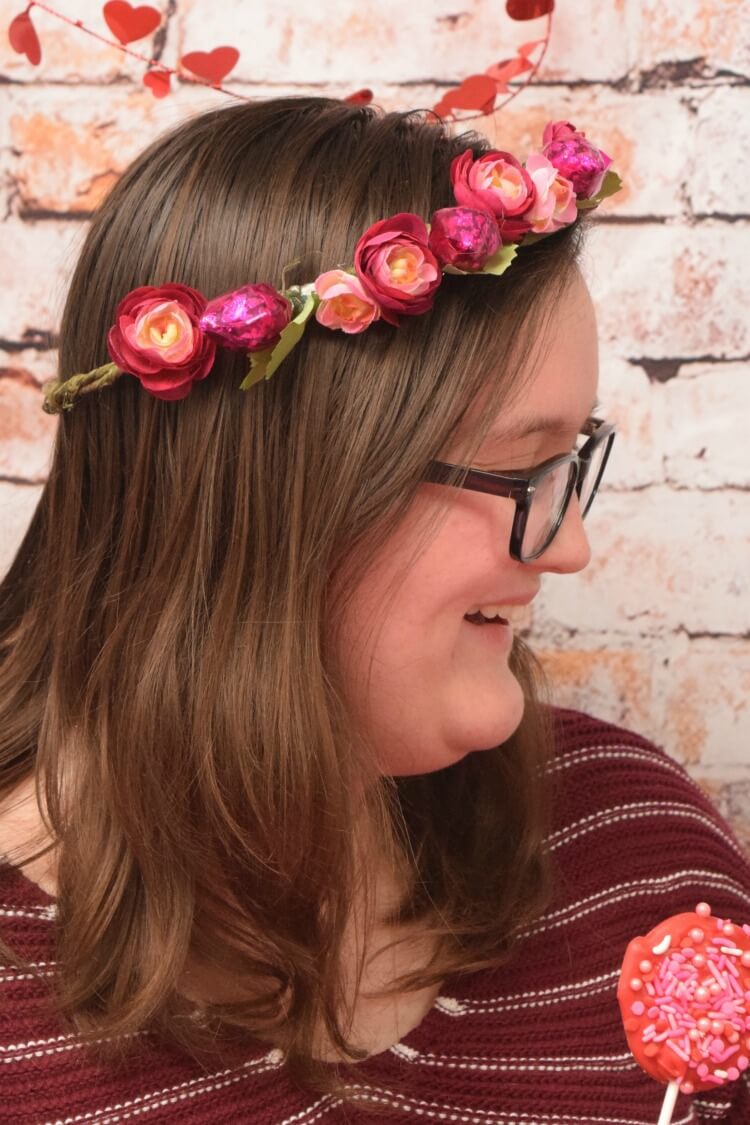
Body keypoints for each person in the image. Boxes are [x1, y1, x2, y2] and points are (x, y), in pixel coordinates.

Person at [0, 96, 748, 1124]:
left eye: (568, 465)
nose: (569, 544)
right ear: (274, 499)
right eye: (514, 471)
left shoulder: (642, 857)